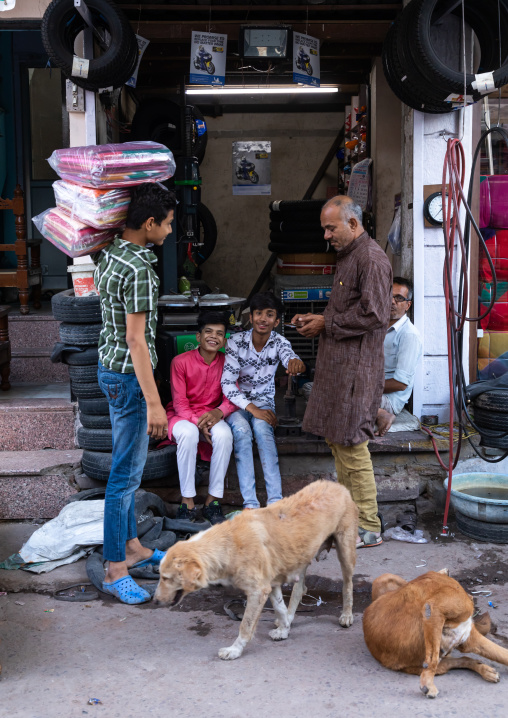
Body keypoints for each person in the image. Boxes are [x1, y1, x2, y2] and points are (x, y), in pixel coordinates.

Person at [291, 196, 392, 549]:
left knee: (352, 446)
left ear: (352, 224)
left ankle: (368, 526)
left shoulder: (371, 258)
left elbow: (376, 315)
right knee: (338, 440)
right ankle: (352, 517)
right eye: (324, 228)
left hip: (356, 370)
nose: (325, 235)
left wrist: (326, 322)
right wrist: (317, 322)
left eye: (330, 227)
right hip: (339, 367)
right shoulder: (349, 256)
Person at [94, 183, 176, 604]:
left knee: (124, 472)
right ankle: (114, 569)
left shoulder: (109, 251)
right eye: (167, 224)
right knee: (123, 479)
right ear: (148, 223)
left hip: (107, 371)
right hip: (129, 379)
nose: (169, 231)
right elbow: (137, 340)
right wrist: (154, 402)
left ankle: (133, 548)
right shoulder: (141, 266)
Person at [222, 292, 305, 509]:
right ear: (251, 317)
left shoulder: (280, 342)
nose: (263, 319)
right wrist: (252, 409)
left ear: (276, 321)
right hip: (237, 404)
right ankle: (250, 504)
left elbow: (291, 357)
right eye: (258, 313)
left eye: (269, 315)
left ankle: (276, 502)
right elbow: (227, 384)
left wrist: (296, 363)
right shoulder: (235, 342)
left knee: (262, 430)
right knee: (241, 432)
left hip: (264, 403)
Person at [161, 310, 236, 524]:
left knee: (224, 435)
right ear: (198, 336)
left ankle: (213, 501)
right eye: (209, 332)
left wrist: (219, 412)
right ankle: (188, 502)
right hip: (182, 416)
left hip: (212, 416)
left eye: (220, 333)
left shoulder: (228, 363)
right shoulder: (180, 362)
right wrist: (198, 423)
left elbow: (231, 398)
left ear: (224, 340)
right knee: (188, 432)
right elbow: (180, 403)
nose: (214, 337)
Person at [376, 278, 422, 437]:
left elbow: (401, 383)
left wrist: (365, 386)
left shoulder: (409, 335)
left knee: (334, 394)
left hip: (389, 399)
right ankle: (374, 412)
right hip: (371, 389)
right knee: (314, 388)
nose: (392, 302)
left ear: (408, 305)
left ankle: (381, 413)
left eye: (399, 298)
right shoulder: (378, 327)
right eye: (389, 295)